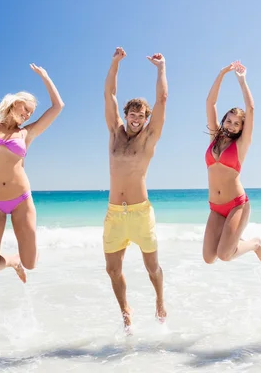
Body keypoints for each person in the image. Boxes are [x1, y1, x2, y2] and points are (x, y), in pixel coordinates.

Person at [0, 34, 65, 283]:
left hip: (21, 200)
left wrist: (45, 77)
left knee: (32, 264)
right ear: (14, 103)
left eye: (31, 112)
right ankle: (11, 261)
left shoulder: (27, 133)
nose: (27, 114)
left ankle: (21, 261)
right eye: (25, 108)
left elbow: (58, 107)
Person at [103, 47, 168, 330]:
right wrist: (115, 63)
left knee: (152, 268)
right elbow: (110, 96)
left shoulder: (149, 139)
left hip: (141, 213)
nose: (135, 118)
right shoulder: (115, 133)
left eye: (141, 115)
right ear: (126, 114)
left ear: (146, 118)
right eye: (131, 113)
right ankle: (125, 311)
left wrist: (161, 68)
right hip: (115, 213)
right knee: (112, 270)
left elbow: (163, 99)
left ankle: (159, 300)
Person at [203, 61, 261, 264]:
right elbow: (210, 103)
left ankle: (254, 243)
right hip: (216, 207)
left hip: (236, 205)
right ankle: (235, 238)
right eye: (228, 121)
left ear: (242, 127)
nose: (231, 126)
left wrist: (242, 81)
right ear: (223, 121)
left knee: (224, 255)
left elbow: (251, 107)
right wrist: (222, 73)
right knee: (208, 258)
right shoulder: (214, 138)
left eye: (237, 123)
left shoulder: (241, 144)